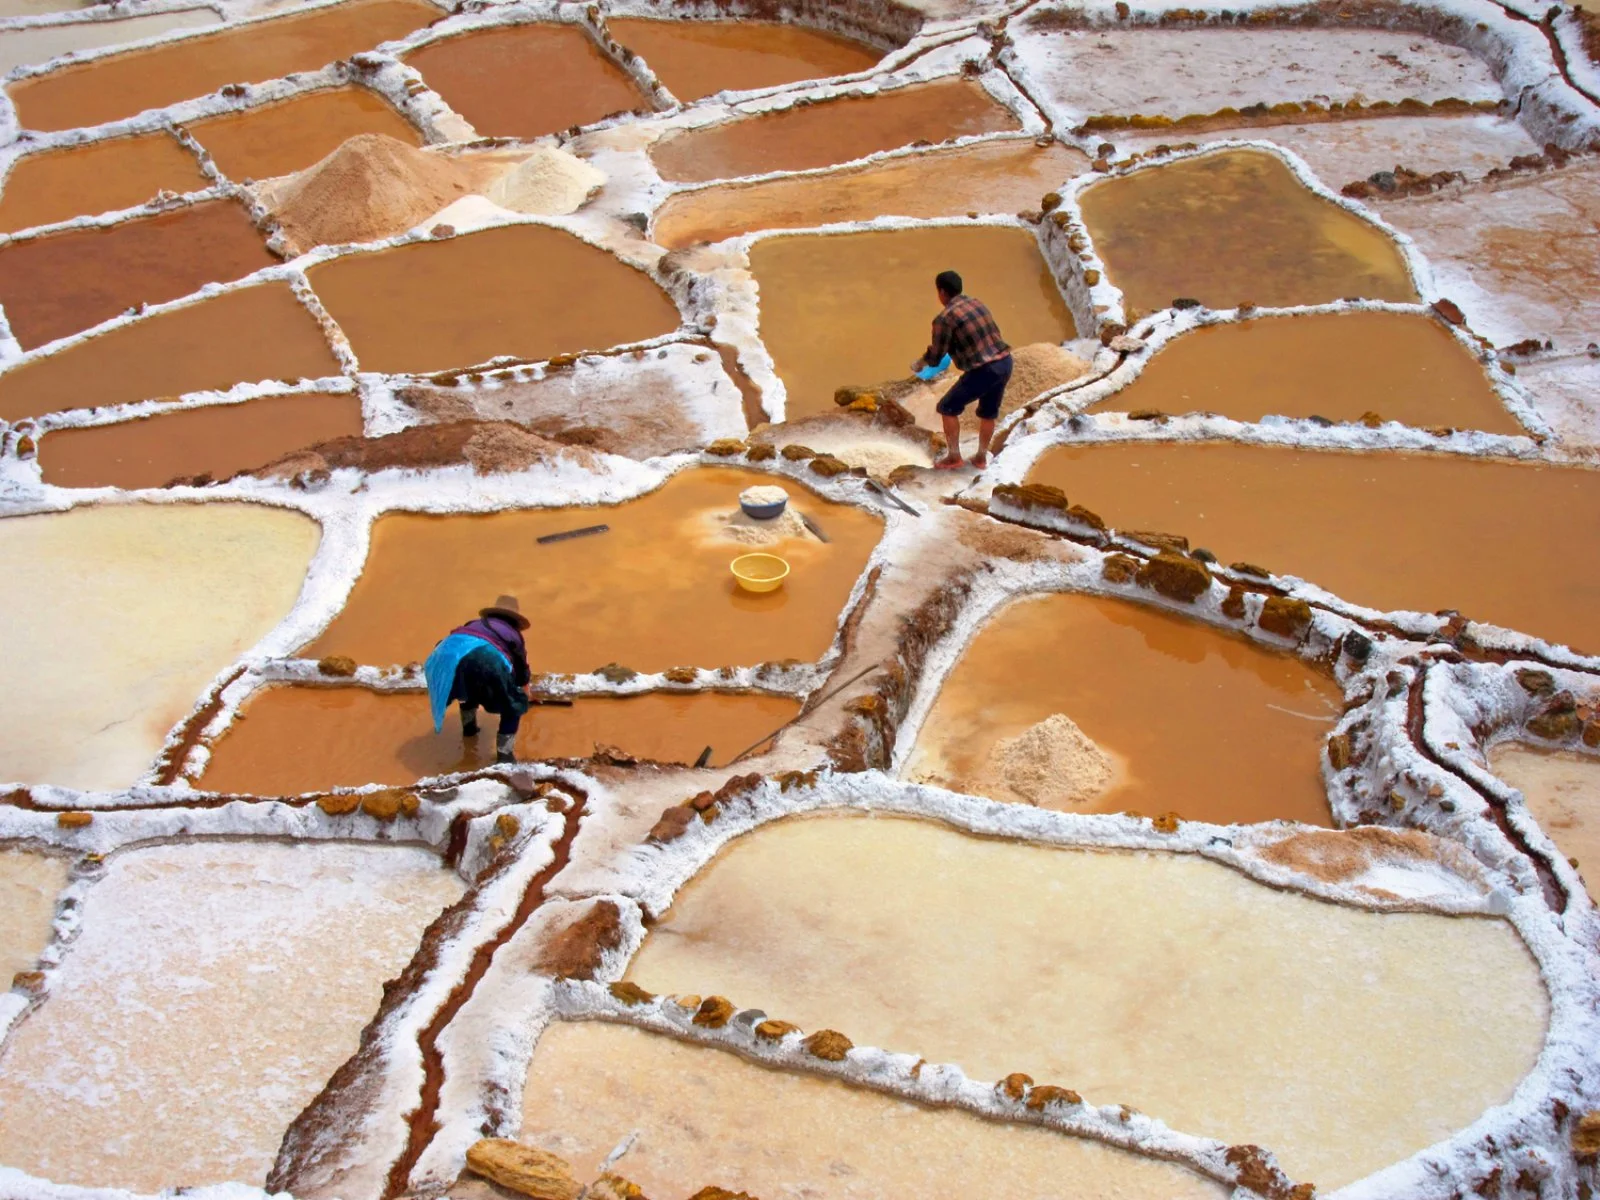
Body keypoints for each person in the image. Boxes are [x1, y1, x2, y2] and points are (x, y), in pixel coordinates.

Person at [910, 269, 1014, 471]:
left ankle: (954, 457)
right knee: (988, 413)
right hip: (1005, 361)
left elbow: (936, 356)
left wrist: (920, 364)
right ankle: (981, 458)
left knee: (947, 408)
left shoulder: (944, 319)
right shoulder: (976, 303)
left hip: (984, 370)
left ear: (941, 292)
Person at [424, 595, 531, 764]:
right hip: (485, 657)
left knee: (467, 688)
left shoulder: (473, 624)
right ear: (515, 620)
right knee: (513, 705)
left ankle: (469, 729)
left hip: (446, 656)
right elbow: (521, 671)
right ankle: (505, 756)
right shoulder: (514, 634)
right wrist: (524, 694)